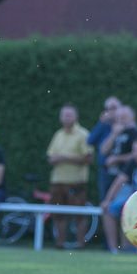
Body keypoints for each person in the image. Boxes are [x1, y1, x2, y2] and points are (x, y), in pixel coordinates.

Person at [46, 103, 94, 249]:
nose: (66, 118)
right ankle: (60, 244)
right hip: (57, 181)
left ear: (76, 116)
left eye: (69, 115)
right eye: (64, 115)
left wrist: (64, 158)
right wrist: (56, 159)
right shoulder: (58, 134)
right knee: (58, 214)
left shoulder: (83, 134)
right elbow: (51, 156)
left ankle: (80, 245)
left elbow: (88, 159)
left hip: (76, 182)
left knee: (79, 215)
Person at [100, 104, 137, 192]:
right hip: (109, 175)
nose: (120, 120)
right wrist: (114, 134)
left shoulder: (136, 133)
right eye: (118, 118)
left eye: (123, 117)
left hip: (126, 178)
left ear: (132, 117)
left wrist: (116, 159)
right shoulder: (115, 131)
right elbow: (103, 150)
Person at [86, 96, 121, 201]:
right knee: (105, 204)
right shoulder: (104, 126)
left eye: (114, 108)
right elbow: (89, 141)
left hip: (122, 172)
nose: (111, 111)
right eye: (109, 109)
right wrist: (101, 123)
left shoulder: (125, 125)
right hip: (105, 173)